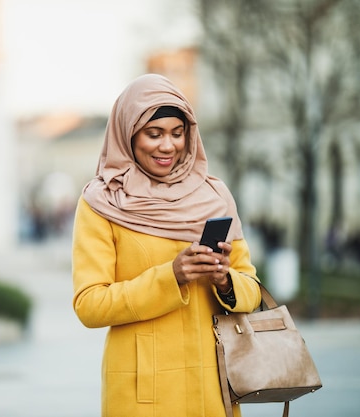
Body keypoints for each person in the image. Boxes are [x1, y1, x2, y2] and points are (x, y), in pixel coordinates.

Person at [71, 74, 262, 417]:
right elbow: (90, 304)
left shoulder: (214, 197)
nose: (167, 146)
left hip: (213, 390)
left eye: (177, 133)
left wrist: (224, 280)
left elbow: (253, 291)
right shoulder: (102, 202)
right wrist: (171, 276)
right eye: (154, 134)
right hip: (143, 393)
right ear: (128, 135)